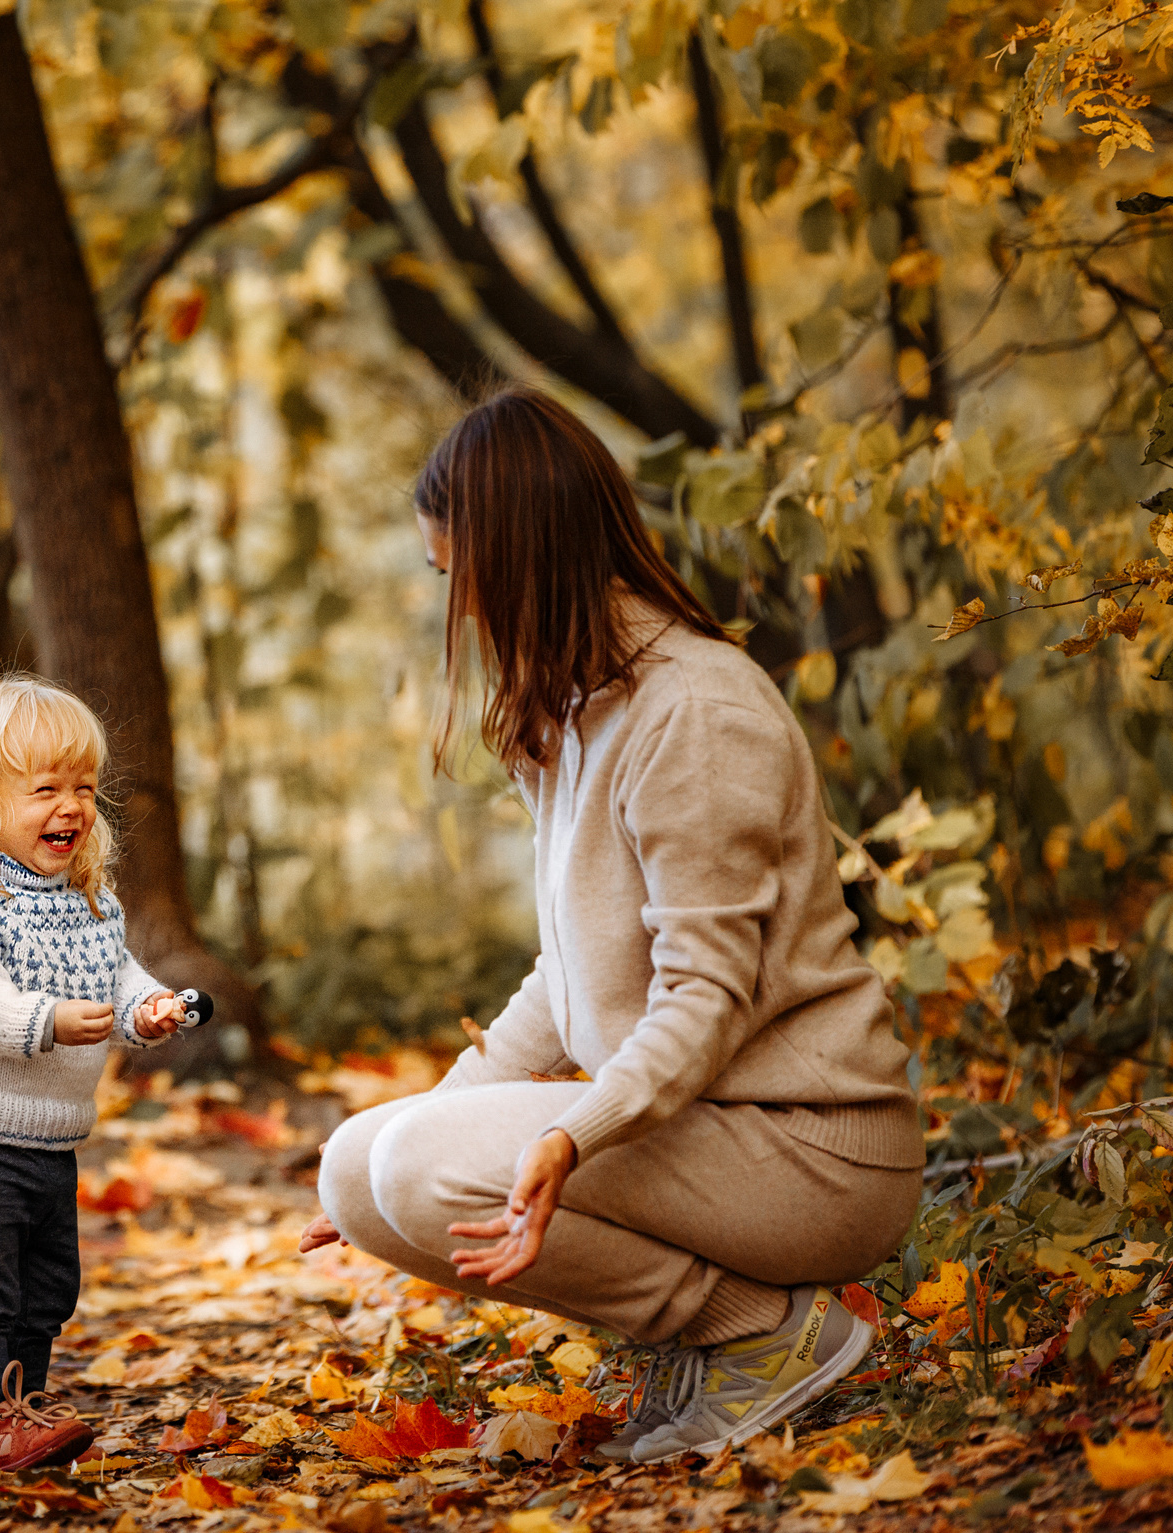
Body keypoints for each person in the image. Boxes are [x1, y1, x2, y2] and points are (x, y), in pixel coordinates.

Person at [299, 389, 922, 1465]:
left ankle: (764, 1336)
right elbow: (567, 974)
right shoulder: (582, 710)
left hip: (808, 1150)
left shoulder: (694, 713)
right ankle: (732, 1338)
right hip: (704, 1139)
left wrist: (568, 1133)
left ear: (519, 554)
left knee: (411, 1170)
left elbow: (706, 995)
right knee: (362, 1169)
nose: (461, 609)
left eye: (462, 577)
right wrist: (427, 1118)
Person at [0, 675, 187, 1471]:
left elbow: (117, 975)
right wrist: (46, 1020)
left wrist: (147, 1008)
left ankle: (25, 1401)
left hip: (50, 1139)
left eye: (84, 789)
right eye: (44, 790)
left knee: (47, 1287)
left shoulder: (86, 903)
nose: (71, 806)